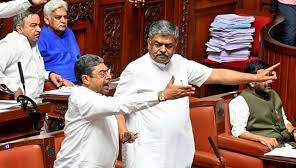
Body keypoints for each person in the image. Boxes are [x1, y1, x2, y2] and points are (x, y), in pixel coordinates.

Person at [114, 20, 280, 168]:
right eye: (158, 44)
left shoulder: (181, 63)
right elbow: (118, 106)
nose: (163, 50)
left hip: (178, 147)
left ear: (176, 44)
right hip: (147, 150)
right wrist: (123, 131)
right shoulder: (135, 70)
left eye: (168, 45)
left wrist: (255, 77)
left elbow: (218, 75)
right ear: (148, 43)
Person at [53, 54, 195, 168]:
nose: (109, 76)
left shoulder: (98, 99)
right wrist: (161, 95)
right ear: (86, 79)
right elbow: (120, 104)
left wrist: (122, 132)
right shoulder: (82, 98)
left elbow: (109, 116)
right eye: (102, 74)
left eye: (107, 71)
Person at [229, 60, 296, 150]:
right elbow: (238, 131)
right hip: (271, 149)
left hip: (289, 144)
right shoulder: (240, 101)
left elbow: (284, 120)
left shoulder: (273, 94)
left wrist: (294, 132)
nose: (270, 81)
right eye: (265, 78)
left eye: (270, 76)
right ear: (252, 82)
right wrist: (262, 139)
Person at [0, 10, 65, 102]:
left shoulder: (32, 42)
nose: (39, 29)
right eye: (33, 25)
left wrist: (49, 75)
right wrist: (13, 87)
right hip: (15, 105)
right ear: (19, 28)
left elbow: (32, 71)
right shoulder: (9, 44)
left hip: (35, 103)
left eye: (39, 25)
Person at [38, 0, 80, 84]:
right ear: (47, 20)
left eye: (65, 17)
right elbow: (36, 71)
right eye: (58, 17)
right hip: (57, 84)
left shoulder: (69, 32)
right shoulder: (39, 37)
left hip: (79, 81)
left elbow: (77, 58)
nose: (63, 21)